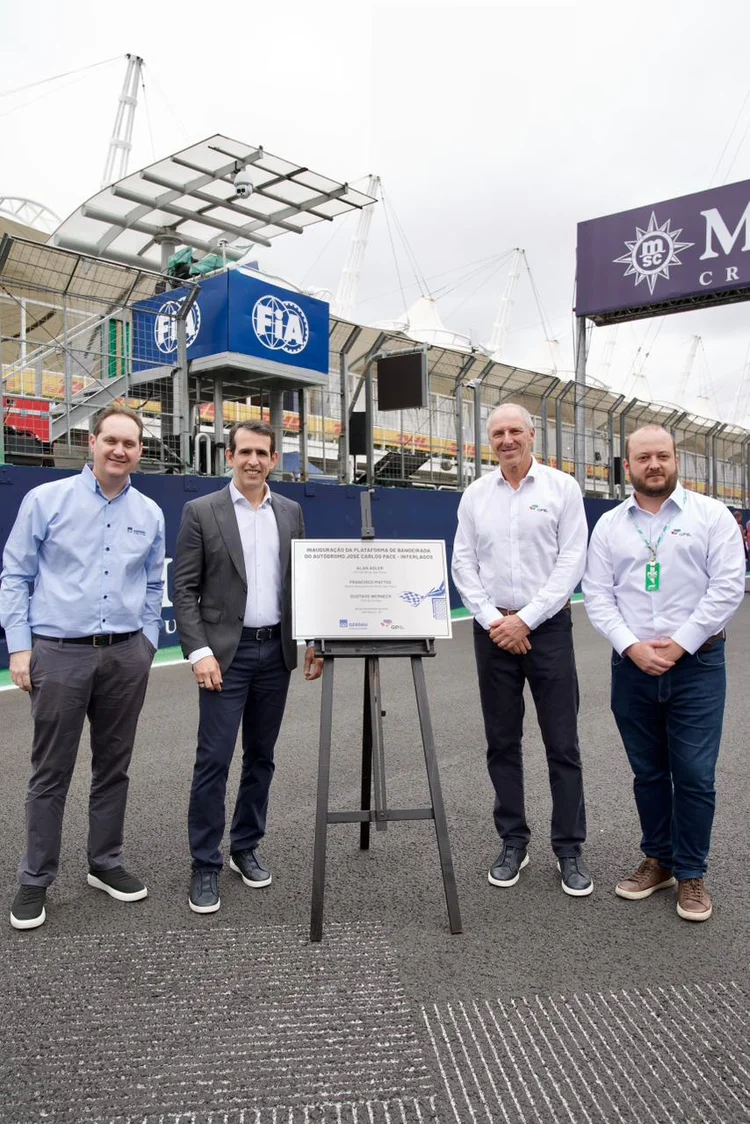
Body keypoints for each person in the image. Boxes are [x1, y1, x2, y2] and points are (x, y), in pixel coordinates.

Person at [0, 404, 165, 931]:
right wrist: (20, 648)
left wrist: (146, 643)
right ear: (91, 442)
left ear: (140, 452)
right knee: (51, 771)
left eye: (131, 443)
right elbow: (15, 575)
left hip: (126, 654)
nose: (120, 450)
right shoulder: (45, 500)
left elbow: (155, 586)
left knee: (113, 766)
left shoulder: (150, 514)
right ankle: (34, 879)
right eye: (111, 440)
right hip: (58, 652)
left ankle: (105, 863)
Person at [582, 425, 745, 922]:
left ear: (677, 461)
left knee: (694, 775)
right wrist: (632, 647)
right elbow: (598, 594)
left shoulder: (711, 516)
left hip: (696, 666)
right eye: (643, 458)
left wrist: (677, 645)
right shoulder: (610, 525)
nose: (654, 465)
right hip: (632, 667)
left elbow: (728, 587)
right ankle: (660, 859)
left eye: (663, 456)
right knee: (649, 773)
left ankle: (692, 872)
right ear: (626, 467)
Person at [173, 420, 322, 915]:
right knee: (213, 761)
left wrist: (313, 640)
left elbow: (300, 583)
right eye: (245, 452)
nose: (254, 460)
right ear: (229, 456)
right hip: (224, 657)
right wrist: (199, 653)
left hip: (273, 655)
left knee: (261, 757)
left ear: (274, 459)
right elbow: (184, 590)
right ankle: (205, 865)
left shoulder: (291, 512)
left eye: (263, 452)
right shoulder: (201, 511)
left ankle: (244, 847)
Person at [451, 403, 592, 897]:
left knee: (563, 745)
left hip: (547, 629)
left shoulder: (562, 489)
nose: (507, 439)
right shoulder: (475, 495)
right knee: (501, 743)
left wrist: (526, 619)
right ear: (488, 441)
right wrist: (496, 621)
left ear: (533, 434)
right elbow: (463, 564)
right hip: (493, 633)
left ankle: (570, 849)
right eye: (497, 433)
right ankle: (513, 840)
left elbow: (572, 559)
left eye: (515, 430)